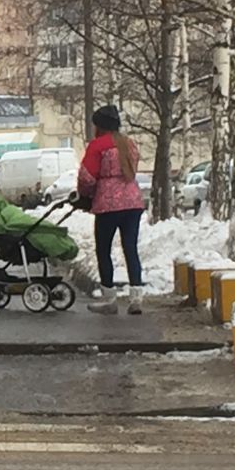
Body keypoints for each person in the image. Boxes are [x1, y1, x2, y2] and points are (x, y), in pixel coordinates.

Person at [77, 104, 145, 315]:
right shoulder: (129, 144)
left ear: (100, 126)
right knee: (130, 248)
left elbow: (87, 176)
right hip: (133, 201)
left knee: (104, 249)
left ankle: (109, 298)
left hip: (108, 204)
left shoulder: (98, 146)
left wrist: (84, 196)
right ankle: (136, 299)